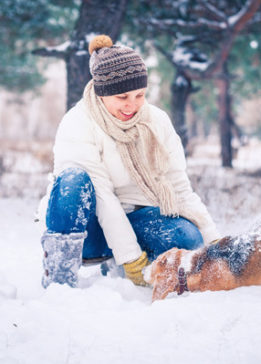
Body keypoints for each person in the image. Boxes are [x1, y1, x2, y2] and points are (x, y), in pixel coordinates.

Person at [37, 34, 220, 289]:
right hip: (87, 228)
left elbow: (179, 187)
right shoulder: (77, 123)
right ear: (102, 93)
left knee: (188, 238)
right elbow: (103, 196)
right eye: (122, 97)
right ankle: (59, 279)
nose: (132, 106)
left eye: (140, 95)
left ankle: (119, 261)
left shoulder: (156, 122)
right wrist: (131, 258)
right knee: (72, 180)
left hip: (137, 218)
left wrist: (215, 243)